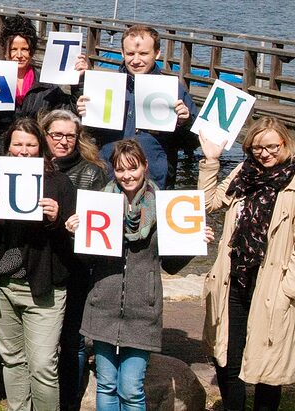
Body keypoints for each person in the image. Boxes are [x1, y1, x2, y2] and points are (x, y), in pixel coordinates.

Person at [64, 140, 203, 411]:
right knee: (106, 384)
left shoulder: (164, 207)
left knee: (131, 388)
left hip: (143, 309)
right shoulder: (100, 204)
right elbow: (86, 259)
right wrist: (74, 235)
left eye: (133, 168)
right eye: (120, 169)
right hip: (102, 305)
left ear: (145, 167)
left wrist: (193, 244)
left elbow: (171, 265)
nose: (127, 175)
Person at [198, 117, 295, 411]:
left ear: (286, 144)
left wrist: (288, 290)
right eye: (256, 148)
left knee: (268, 362)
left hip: (272, 285)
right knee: (227, 355)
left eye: (271, 147)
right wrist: (211, 161)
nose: (264, 154)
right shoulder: (243, 174)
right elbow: (207, 203)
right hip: (234, 277)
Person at [0, 118, 78, 411]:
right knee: (13, 360)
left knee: (43, 365)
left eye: (30, 145)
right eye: (17, 144)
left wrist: (57, 219)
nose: (23, 150)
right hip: (3, 286)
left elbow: (74, 239)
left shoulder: (60, 182)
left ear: (41, 148)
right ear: (7, 148)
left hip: (44, 287)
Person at [39, 109, 109, 411]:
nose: (63, 141)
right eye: (57, 135)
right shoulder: (31, 166)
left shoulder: (91, 173)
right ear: (45, 135)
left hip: (75, 263)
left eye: (70, 135)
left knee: (72, 338)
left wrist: (69, 223)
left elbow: (97, 224)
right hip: (40, 260)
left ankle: (69, 401)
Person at [74, 25, 196, 188]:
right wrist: (82, 113)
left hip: (155, 183)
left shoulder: (174, 90)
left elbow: (193, 143)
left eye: (144, 54)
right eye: (130, 54)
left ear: (157, 53)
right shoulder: (105, 86)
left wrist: (184, 122)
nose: (136, 60)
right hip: (109, 179)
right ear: (123, 53)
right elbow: (85, 137)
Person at [0, 18, 74, 132]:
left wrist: (79, 82)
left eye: (24, 49)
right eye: (13, 49)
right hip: (0, 145)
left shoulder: (47, 87)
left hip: (35, 145)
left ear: (32, 52)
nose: (19, 55)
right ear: (5, 52)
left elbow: (69, 114)